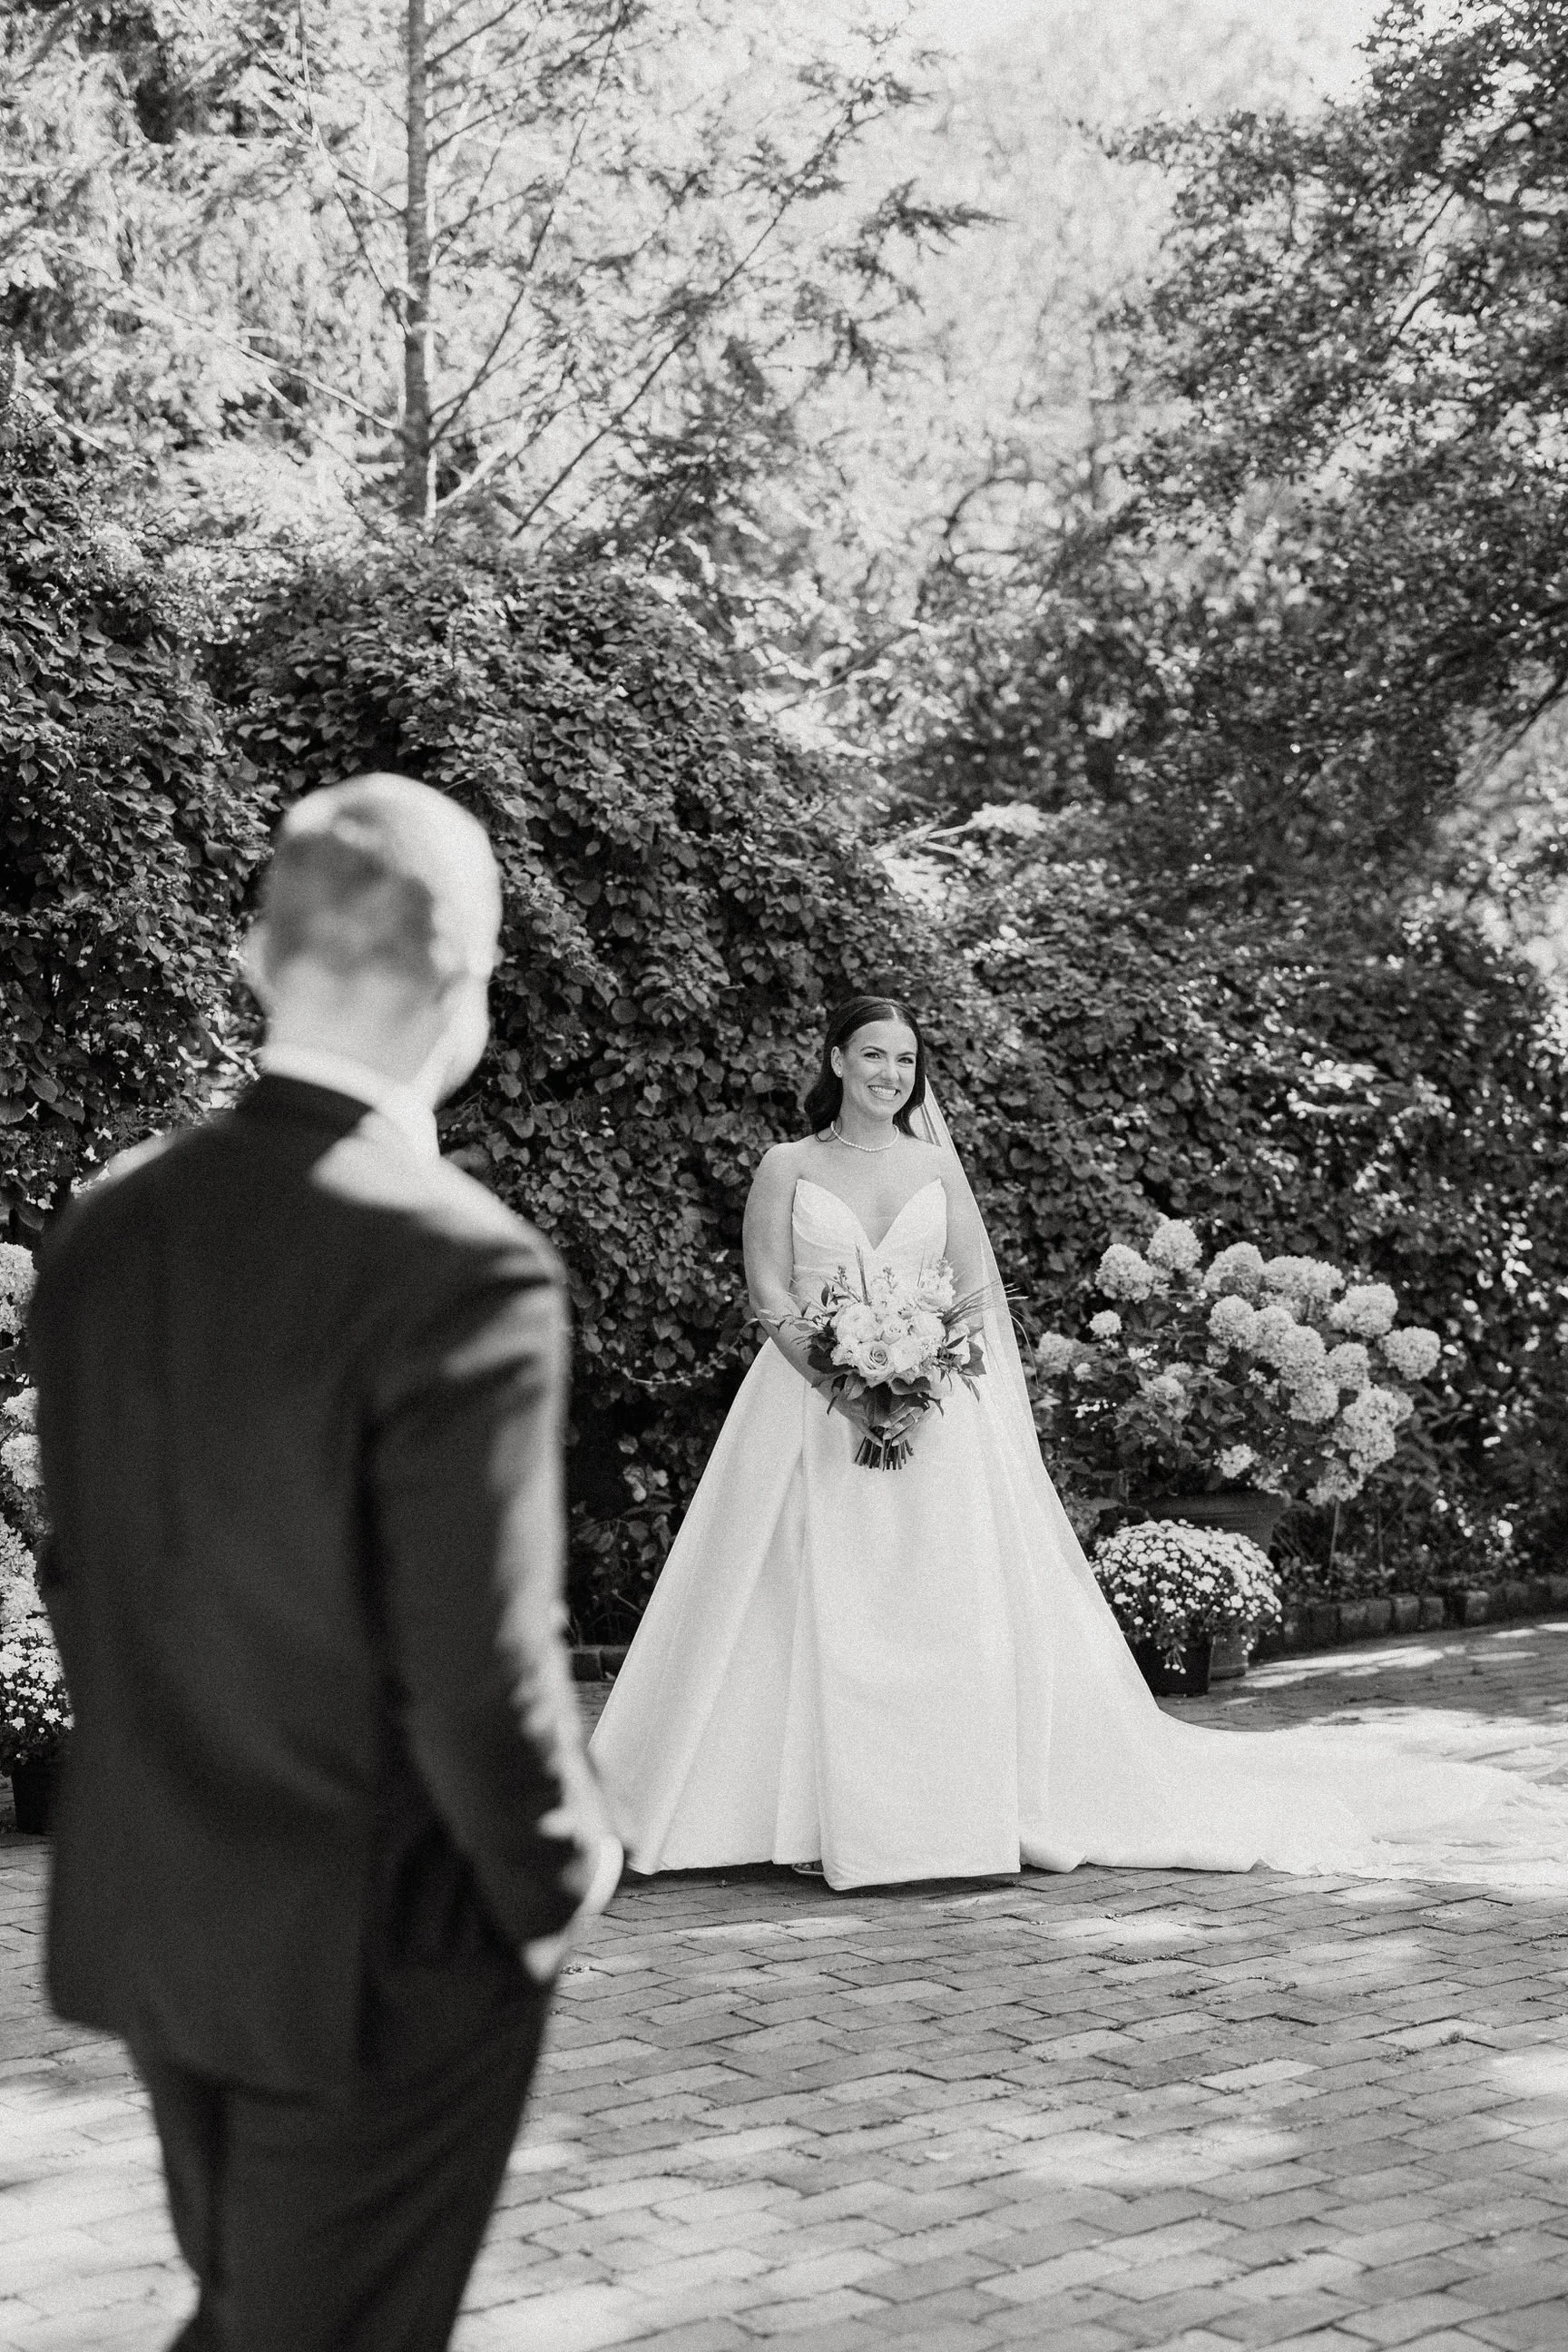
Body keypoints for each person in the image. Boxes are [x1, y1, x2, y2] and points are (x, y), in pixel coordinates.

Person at [29, 774, 622, 2352]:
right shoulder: (461, 1264)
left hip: (167, 1923)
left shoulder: (107, 1225)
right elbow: (474, 1667)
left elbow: (86, 1581)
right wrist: (560, 1871)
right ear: (463, 980)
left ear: (255, 957)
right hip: (384, 1955)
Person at [591, 994, 1564, 1891]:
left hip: (933, 1412)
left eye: (907, 1060)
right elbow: (770, 1294)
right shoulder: (787, 1166)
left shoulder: (937, 1167)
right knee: (790, 1598)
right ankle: (788, 1815)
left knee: (939, 1606)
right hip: (805, 1410)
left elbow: (974, 1295)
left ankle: (935, 1817)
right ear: (837, 1058)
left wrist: (917, 1373)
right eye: (874, 1055)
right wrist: (846, 1388)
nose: (891, 1073)